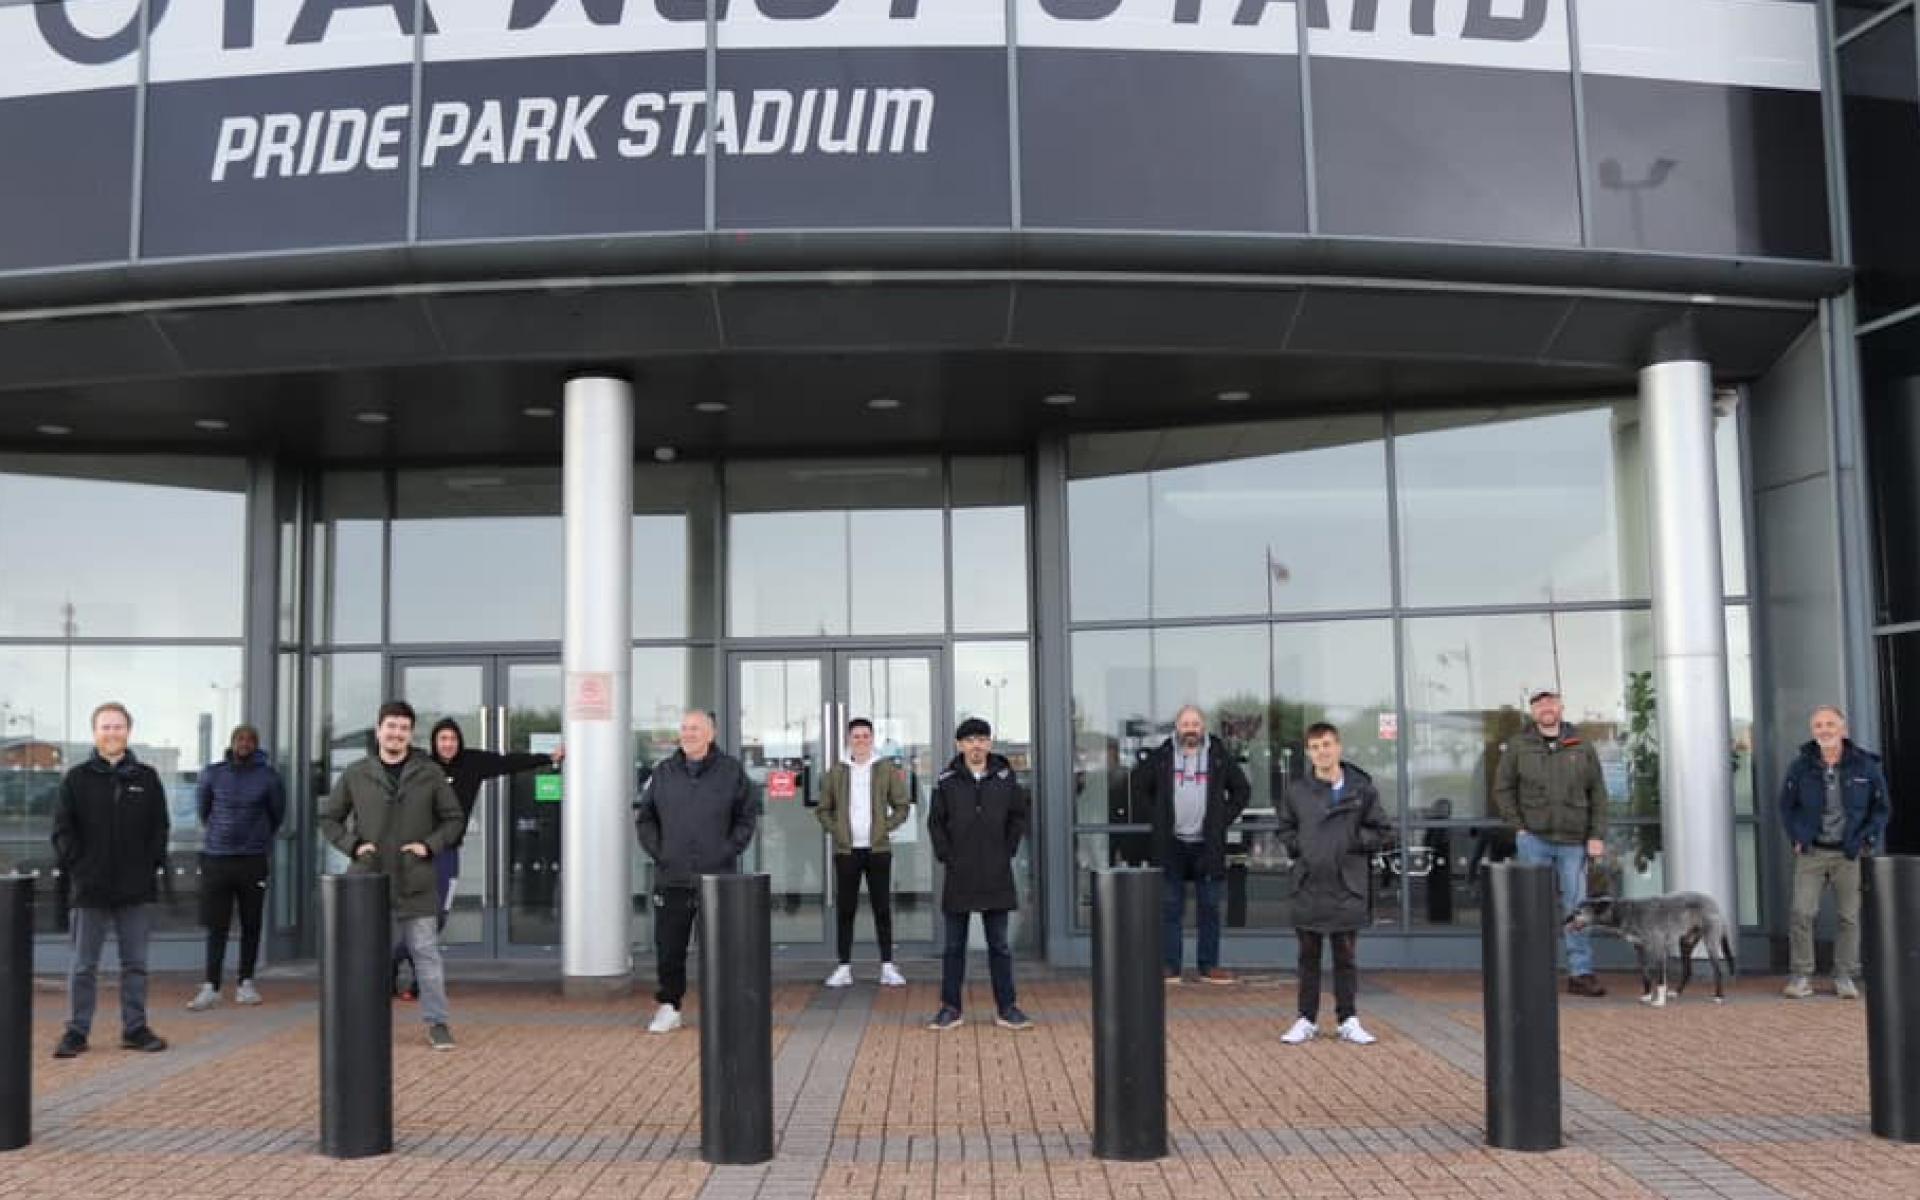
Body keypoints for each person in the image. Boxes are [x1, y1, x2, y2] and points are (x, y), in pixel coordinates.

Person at [318, 700, 465, 1050]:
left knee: (426, 956)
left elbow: (454, 819)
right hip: (369, 882)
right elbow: (329, 818)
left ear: (410, 733)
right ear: (379, 729)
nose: (397, 734)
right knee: (366, 958)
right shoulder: (356, 773)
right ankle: (363, 1026)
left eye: (403, 728)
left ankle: (437, 1024)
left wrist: (429, 847)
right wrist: (353, 847)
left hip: (417, 881)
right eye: (391, 727)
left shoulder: (428, 772)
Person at [387, 717, 564, 998]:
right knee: (418, 915)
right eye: (442, 739)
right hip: (419, 853)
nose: (448, 745)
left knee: (439, 916)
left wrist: (547, 757)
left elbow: (508, 763)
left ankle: (395, 960)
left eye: (453, 739)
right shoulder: (421, 767)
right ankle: (416, 976)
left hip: (448, 854)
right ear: (434, 742)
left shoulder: (471, 763)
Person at [50, 702, 171, 1058]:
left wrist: (148, 866)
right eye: (105, 727)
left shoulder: (146, 779)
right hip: (90, 889)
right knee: (84, 966)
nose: (112, 733)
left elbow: (159, 828)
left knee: (135, 964)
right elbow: (62, 832)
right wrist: (81, 868)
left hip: (134, 889)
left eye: (118, 727)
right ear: (95, 733)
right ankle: (76, 1031)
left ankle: (135, 1028)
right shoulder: (76, 779)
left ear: (128, 731)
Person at [633, 710, 757, 1034]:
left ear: (710, 734)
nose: (688, 734)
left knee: (720, 948)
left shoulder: (730, 772)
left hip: (717, 878)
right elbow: (645, 817)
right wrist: (659, 851)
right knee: (669, 949)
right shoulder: (664, 772)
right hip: (672, 877)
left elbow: (747, 816)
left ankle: (724, 1010)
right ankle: (669, 1007)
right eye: (685, 728)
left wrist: (728, 849)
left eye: (695, 728)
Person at [1277, 723, 1392, 1045]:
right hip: (1309, 882)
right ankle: (1306, 1019)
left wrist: (1350, 839)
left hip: (1347, 882)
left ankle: (1348, 1019)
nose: (1321, 752)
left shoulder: (1362, 789)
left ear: (1338, 747)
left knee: (1345, 956)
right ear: (1308, 752)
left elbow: (1382, 830)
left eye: (1326, 744)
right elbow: (1284, 830)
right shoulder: (1297, 791)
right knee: (1308, 956)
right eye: (1314, 747)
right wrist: (1304, 846)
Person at [1494, 688, 1610, 997]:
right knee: (1533, 908)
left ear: (1560, 708)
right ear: (1532, 712)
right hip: (1534, 840)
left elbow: (1597, 792)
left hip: (1574, 842)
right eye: (1540, 704)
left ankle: (1581, 974)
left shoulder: (1581, 744)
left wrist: (1596, 834)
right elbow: (1503, 789)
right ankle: (1534, 973)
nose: (1546, 708)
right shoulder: (1519, 746)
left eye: (1551, 703)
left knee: (1577, 910)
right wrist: (1518, 826)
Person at [926, 718, 1032, 1032]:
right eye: (970, 739)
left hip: (996, 872)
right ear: (960, 745)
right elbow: (936, 823)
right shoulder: (946, 780)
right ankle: (950, 1008)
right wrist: (947, 856)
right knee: (954, 947)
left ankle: (1007, 1007)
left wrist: (1007, 850)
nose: (976, 745)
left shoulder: (1005, 776)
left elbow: (1018, 816)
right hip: (960, 873)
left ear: (989, 743)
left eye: (982, 739)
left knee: (999, 945)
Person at [1779, 705, 1891, 1000]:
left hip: (1849, 853)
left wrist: (1868, 839)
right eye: (1818, 726)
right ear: (1813, 731)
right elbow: (1786, 807)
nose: (1824, 730)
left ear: (1843, 729)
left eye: (1830, 724)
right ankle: (1801, 975)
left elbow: (1881, 809)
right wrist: (1796, 836)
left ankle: (1844, 975)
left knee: (1848, 917)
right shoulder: (1800, 766)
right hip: (1812, 852)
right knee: (1802, 912)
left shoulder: (1865, 766)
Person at [1137, 704, 1251, 984]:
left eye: (1196, 724)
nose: (1191, 729)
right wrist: (1157, 818)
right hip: (1172, 844)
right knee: (1170, 907)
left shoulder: (1219, 756)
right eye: (1186, 723)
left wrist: (1221, 819)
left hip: (1207, 845)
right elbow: (1138, 785)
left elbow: (1242, 790)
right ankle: (1170, 967)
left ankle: (1208, 966)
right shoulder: (1163, 755)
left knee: (1210, 908)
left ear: (1204, 728)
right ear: (1177, 727)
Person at [187, 724, 287, 1011]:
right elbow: (204, 810)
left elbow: (276, 814)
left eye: (249, 740)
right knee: (216, 925)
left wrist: (256, 838)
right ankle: (211, 986)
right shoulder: (213, 773)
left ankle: (246, 982)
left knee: (251, 923)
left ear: (256, 745)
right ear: (232, 743)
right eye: (239, 739)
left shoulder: (268, 777)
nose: (244, 744)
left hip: (253, 860)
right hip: (217, 858)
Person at [815, 717, 913, 988]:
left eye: (865, 736)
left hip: (878, 849)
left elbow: (903, 805)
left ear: (873, 739)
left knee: (882, 908)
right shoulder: (836, 772)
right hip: (847, 851)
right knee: (846, 910)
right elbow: (823, 809)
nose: (861, 741)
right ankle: (844, 967)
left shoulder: (886, 770)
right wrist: (837, 831)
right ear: (849, 739)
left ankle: (888, 967)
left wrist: (885, 828)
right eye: (856, 736)